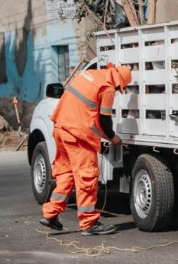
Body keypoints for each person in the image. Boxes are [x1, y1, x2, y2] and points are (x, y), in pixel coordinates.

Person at [40, 63, 132, 236]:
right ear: (119, 82)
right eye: (121, 87)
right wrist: (113, 138)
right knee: (86, 178)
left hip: (61, 128)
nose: (119, 89)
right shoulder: (108, 88)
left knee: (66, 174)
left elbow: (84, 108)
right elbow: (105, 120)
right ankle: (89, 223)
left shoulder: (88, 74)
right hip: (78, 135)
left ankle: (50, 214)